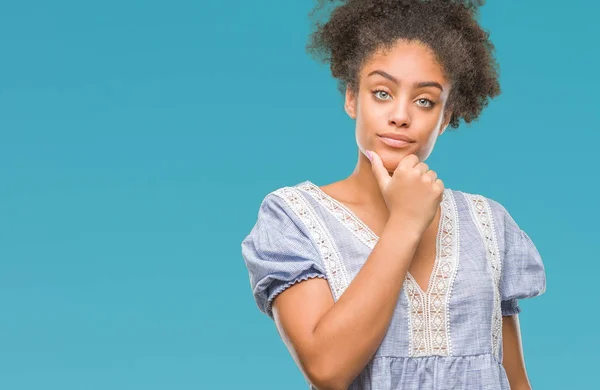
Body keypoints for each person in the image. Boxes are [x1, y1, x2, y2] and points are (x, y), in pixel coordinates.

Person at [241, 0, 546, 389]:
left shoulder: (489, 223)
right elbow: (327, 369)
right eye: (382, 92)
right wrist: (405, 221)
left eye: (424, 101)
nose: (401, 115)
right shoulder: (293, 218)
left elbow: (515, 381)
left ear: (446, 116)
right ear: (352, 98)